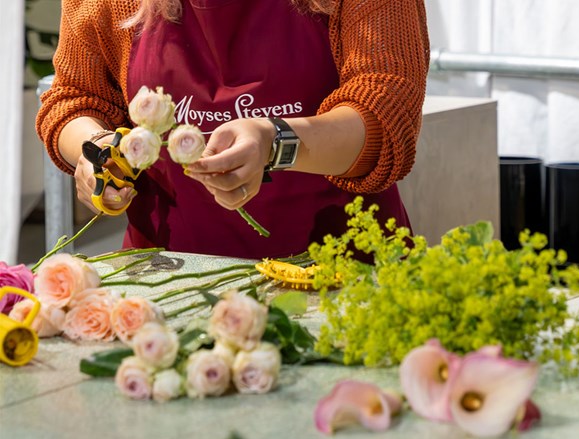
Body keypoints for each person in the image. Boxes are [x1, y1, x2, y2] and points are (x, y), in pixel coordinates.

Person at [36, 0, 430, 259]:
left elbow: (385, 110)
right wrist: (97, 151)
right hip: (174, 283)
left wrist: (273, 142)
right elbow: (76, 97)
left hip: (342, 272)